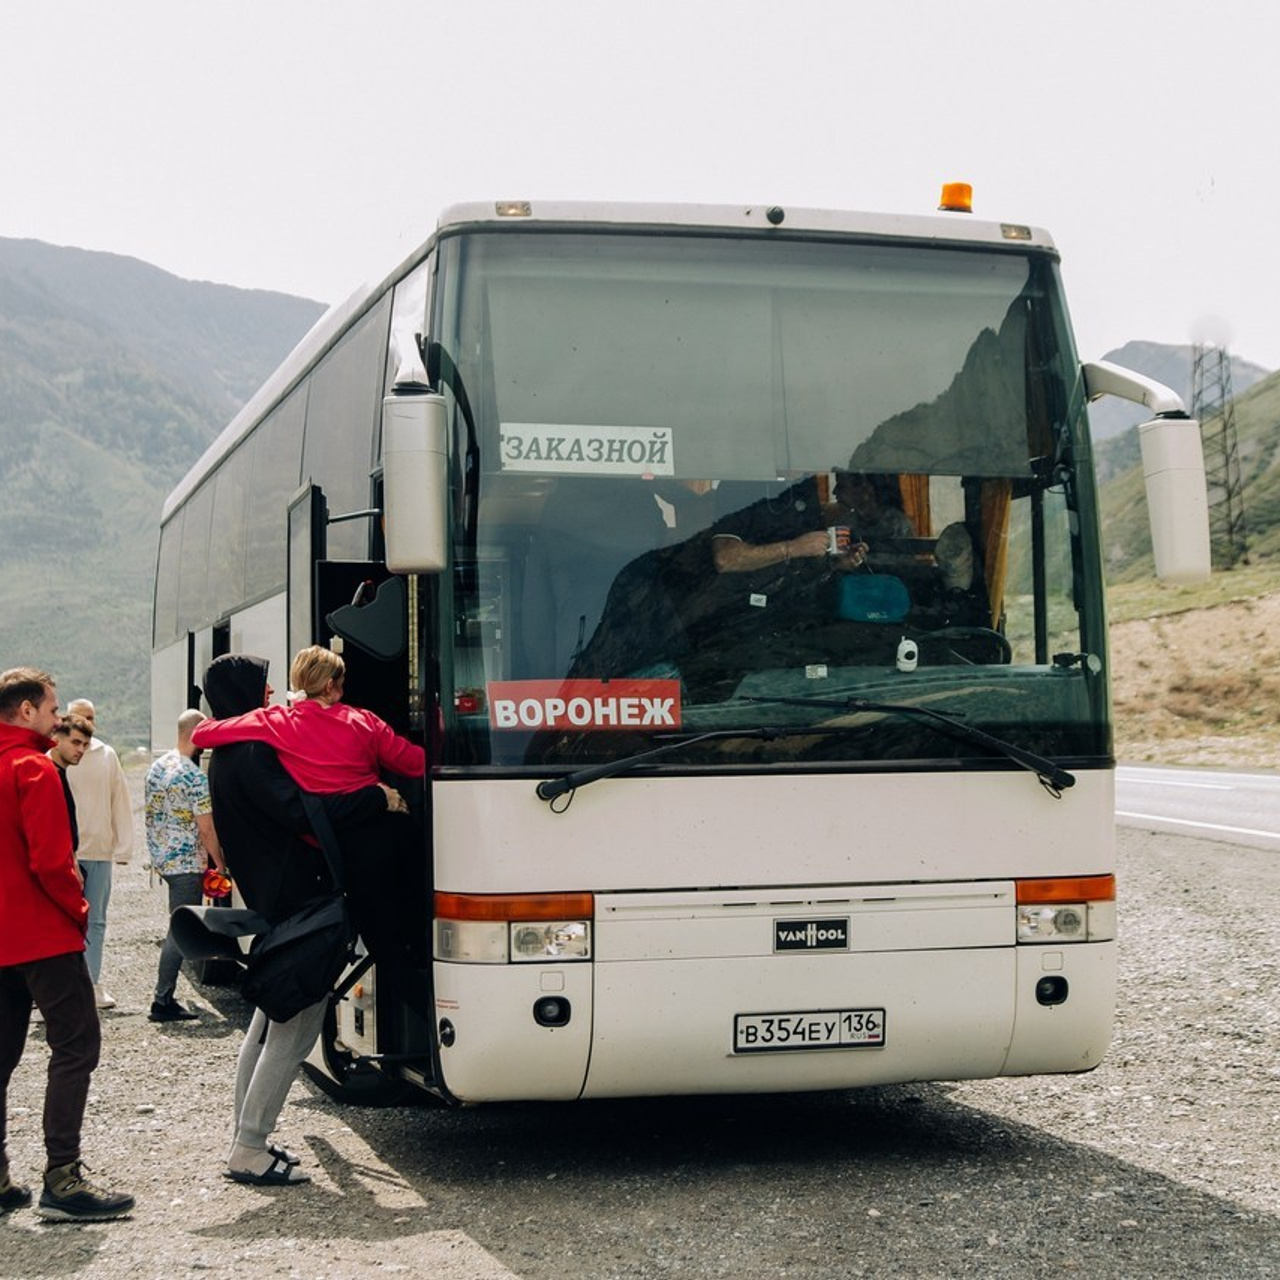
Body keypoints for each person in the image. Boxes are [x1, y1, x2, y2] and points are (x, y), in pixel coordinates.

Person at [200, 654, 401, 1186]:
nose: (271, 695)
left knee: (267, 1023)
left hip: (274, 900)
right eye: (261, 686)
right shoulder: (249, 754)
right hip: (300, 901)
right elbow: (306, 811)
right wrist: (374, 797)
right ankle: (248, 1148)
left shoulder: (225, 757)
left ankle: (245, 1133)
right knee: (295, 1028)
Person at [0, 667, 134, 1222]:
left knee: (2, 1056)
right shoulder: (33, 768)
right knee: (77, 1045)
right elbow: (53, 862)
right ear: (27, 710)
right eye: (53, 709)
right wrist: (79, 912)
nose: (59, 719)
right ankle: (62, 1178)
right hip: (43, 935)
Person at [190, 645, 425, 793]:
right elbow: (415, 763)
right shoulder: (365, 722)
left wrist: (212, 720)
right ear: (330, 685)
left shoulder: (274, 721)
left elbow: (201, 735)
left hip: (321, 839)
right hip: (369, 824)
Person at [144, 709, 226, 1023]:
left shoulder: (157, 767)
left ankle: (164, 998)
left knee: (178, 926)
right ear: (199, 734)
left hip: (163, 860)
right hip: (186, 863)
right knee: (178, 932)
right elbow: (206, 829)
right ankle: (162, 1001)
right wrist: (220, 863)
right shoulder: (193, 776)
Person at [64, 699, 134, 1011]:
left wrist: (123, 847)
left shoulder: (106, 755)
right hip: (67, 851)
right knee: (65, 920)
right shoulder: (57, 753)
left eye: (92, 717)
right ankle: (62, 985)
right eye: (82, 717)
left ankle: (92, 982)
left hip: (100, 849)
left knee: (98, 921)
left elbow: (120, 798)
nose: (88, 722)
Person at [48, 714, 93, 851]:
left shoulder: (60, 773)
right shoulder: (49, 775)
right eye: (75, 742)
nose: (81, 750)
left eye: (85, 745)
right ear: (56, 741)